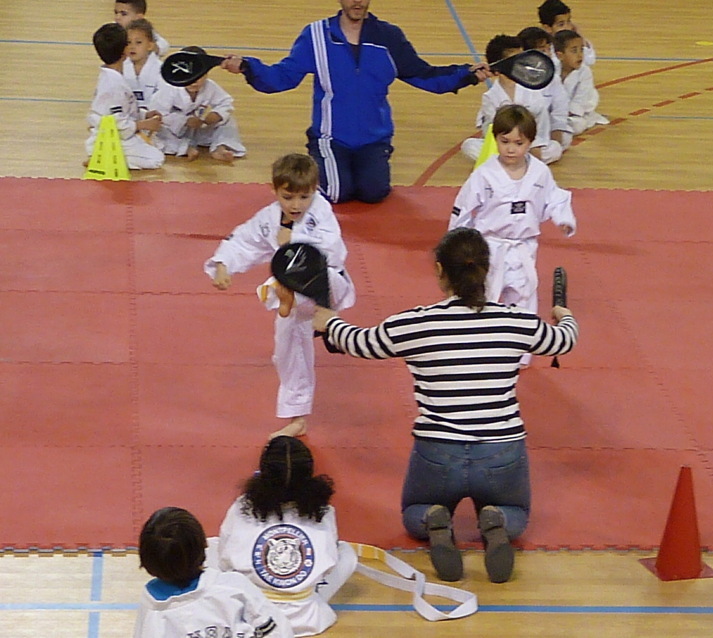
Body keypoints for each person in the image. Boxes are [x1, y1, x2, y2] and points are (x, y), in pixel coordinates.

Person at [312, 227, 578, 584]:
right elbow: (564, 341)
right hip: (502, 450)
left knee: (413, 513)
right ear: (487, 270)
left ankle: (434, 520)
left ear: (440, 270)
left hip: (438, 451)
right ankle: (498, 520)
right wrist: (564, 314)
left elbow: (361, 342)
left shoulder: (416, 323)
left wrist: (329, 322)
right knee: (517, 513)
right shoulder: (517, 321)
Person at [220, 0, 490, 204]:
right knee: (337, 193)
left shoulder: (389, 37)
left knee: (374, 193)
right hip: (330, 138)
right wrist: (247, 67)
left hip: (375, 139)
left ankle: (363, 164)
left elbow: (425, 75)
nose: (357, 1)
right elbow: (281, 78)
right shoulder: (315, 35)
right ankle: (320, 158)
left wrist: (466, 75)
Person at [203, 154, 355, 438]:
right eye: (288, 197)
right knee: (286, 351)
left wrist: (295, 241)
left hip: (328, 285)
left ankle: (295, 302)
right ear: (274, 191)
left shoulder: (321, 211)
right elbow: (244, 241)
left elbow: (332, 249)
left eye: (304, 197)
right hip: (294, 295)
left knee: (285, 280)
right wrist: (223, 265)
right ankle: (298, 417)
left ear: (315, 190)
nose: (296, 205)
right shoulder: (268, 218)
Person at [452, 104, 576, 366]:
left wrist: (563, 219)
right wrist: (456, 244)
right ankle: (478, 347)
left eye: (519, 143)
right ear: (495, 139)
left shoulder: (540, 172)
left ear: (530, 142)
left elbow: (556, 198)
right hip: (489, 246)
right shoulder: (484, 174)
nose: (511, 149)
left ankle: (518, 352)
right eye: (504, 141)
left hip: (523, 246)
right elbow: (462, 208)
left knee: (523, 296)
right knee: (482, 296)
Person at [215, 436, 358, 636]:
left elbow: (224, 560)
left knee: (216, 551)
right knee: (347, 553)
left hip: (252, 613)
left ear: (264, 471)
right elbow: (330, 561)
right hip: (307, 617)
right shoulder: (323, 510)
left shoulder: (243, 506)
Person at [134, 506, 294, 638]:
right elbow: (279, 630)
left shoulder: (152, 610)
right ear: (203, 546)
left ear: (146, 559)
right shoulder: (233, 586)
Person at [461, 35, 569, 165]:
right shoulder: (491, 96)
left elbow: (541, 122)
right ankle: (520, 160)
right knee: (469, 145)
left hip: (531, 144)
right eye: (516, 60)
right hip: (504, 145)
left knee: (555, 148)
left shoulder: (531, 87)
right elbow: (493, 130)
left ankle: (516, 160)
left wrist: (533, 144)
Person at [86, 23, 164, 170]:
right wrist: (143, 124)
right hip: (109, 138)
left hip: (110, 134)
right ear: (125, 51)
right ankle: (102, 157)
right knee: (156, 159)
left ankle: (99, 155)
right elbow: (118, 123)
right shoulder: (114, 84)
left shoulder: (112, 77)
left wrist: (144, 114)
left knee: (154, 146)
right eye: (128, 43)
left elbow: (125, 110)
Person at [149, 46, 247, 162]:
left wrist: (217, 114)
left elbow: (225, 102)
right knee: (159, 133)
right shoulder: (169, 88)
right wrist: (184, 121)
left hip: (196, 130)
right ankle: (185, 148)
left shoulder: (210, 86)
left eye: (199, 76)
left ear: (206, 74)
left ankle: (220, 147)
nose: (194, 82)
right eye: (189, 77)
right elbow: (155, 114)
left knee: (227, 120)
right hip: (174, 131)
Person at [553, 30, 608, 135]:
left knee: (578, 125)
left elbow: (580, 100)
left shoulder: (585, 72)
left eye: (581, 50)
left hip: (577, 114)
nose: (579, 55)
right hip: (555, 111)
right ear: (560, 55)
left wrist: (565, 113)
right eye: (574, 51)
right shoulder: (552, 69)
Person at [537, 0, 596, 66]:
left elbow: (590, 61)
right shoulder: (543, 49)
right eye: (561, 24)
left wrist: (581, 40)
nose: (568, 27)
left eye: (569, 21)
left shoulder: (574, 41)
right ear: (547, 28)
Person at [122, 18, 162, 112]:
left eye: (138, 42)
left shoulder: (160, 69)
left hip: (154, 115)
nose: (132, 47)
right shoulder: (120, 68)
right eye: (128, 42)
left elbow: (163, 99)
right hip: (127, 115)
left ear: (150, 45)